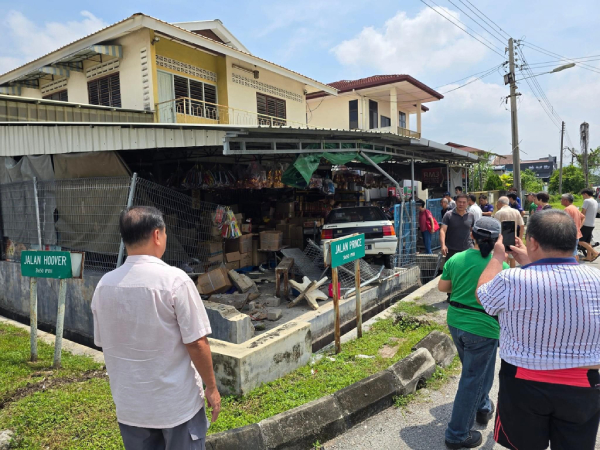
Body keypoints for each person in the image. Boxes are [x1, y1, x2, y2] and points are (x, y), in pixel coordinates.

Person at [92, 206, 221, 449]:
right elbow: (197, 342)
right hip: (176, 407)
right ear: (157, 235)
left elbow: (104, 342)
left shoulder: (104, 286)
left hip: (131, 409)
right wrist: (212, 388)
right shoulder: (175, 281)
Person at [476, 210, 600, 450]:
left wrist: (496, 257)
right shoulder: (596, 279)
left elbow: (484, 295)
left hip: (524, 383)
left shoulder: (512, 279)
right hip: (584, 385)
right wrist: (530, 262)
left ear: (532, 241)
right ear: (574, 240)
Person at [439, 217, 508, 449]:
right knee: (472, 378)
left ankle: (483, 407)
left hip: (456, 321)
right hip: (484, 327)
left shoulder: (457, 259)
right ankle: (457, 434)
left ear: (472, 234)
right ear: (498, 239)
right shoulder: (500, 266)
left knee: (479, 370)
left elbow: (443, 288)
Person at [440, 194, 475, 260]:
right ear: (456, 202)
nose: (461, 204)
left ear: (467, 203)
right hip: (452, 250)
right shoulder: (448, 215)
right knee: (451, 269)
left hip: (468, 249)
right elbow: (442, 230)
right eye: (459, 202)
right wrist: (443, 245)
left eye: (464, 202)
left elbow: (473, 231)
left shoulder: (471, 216)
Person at [494, 196, 524, 268]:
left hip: (502, 239)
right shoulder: (516, 211)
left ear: (500, 203)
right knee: (512, 258)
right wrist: (520, 238)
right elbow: (522, 225)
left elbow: (495, 228)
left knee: (504, 258)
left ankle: (505, 273)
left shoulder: (498, 213)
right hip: (514, 237)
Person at [561, 193, 585, 262]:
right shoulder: (574, 208)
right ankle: (576, 266)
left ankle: (574, 266)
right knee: (575, 251)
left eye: (561, 199)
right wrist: (579, 227)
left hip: (570, 234)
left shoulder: (567, 209)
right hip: (576, 233)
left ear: (566, 200)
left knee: (572, 253)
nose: (561, 201)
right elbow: (583, 217)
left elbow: (563, 222)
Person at [581, 188, 599, 261]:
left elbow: (583, 213)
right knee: (588, 241)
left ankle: (595, 253)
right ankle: (588, 257)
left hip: (585, 224)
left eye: (583, 195)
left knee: (580, 241)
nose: (583, 197)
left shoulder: (586, 201)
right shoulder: (595, 201)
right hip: (592, 224)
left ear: (585, 194)